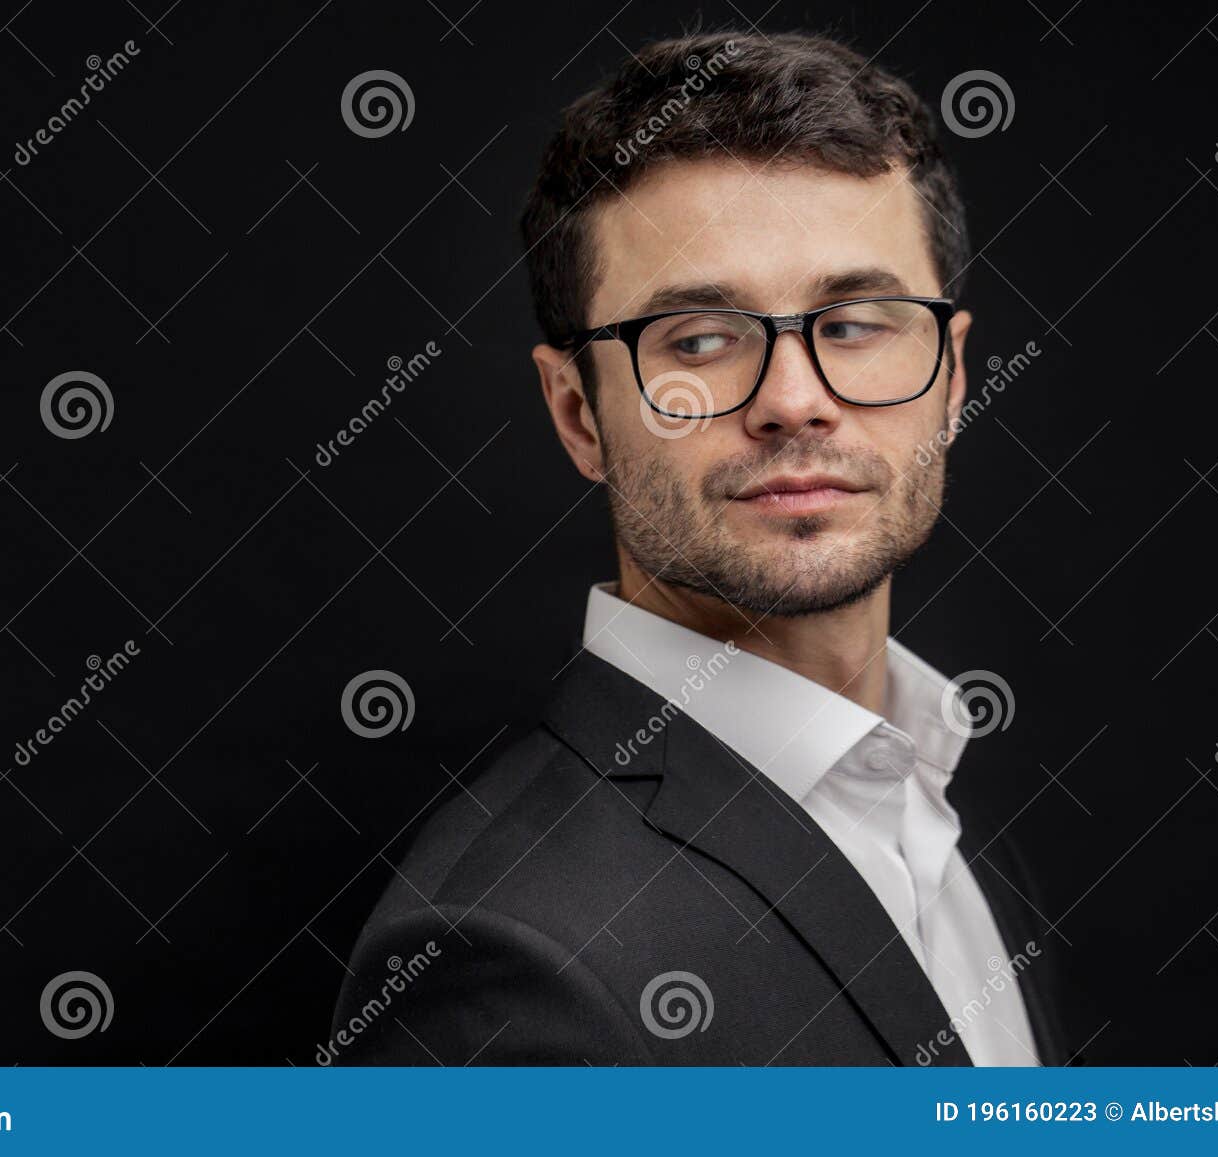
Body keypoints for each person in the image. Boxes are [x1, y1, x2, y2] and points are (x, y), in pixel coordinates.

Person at [330, 29, 1071, 1066]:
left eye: (855, 321)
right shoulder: (507, 959)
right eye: (699, 341)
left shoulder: (925, 790)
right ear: (577, 414)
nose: (794, 402)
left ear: (949, 375)